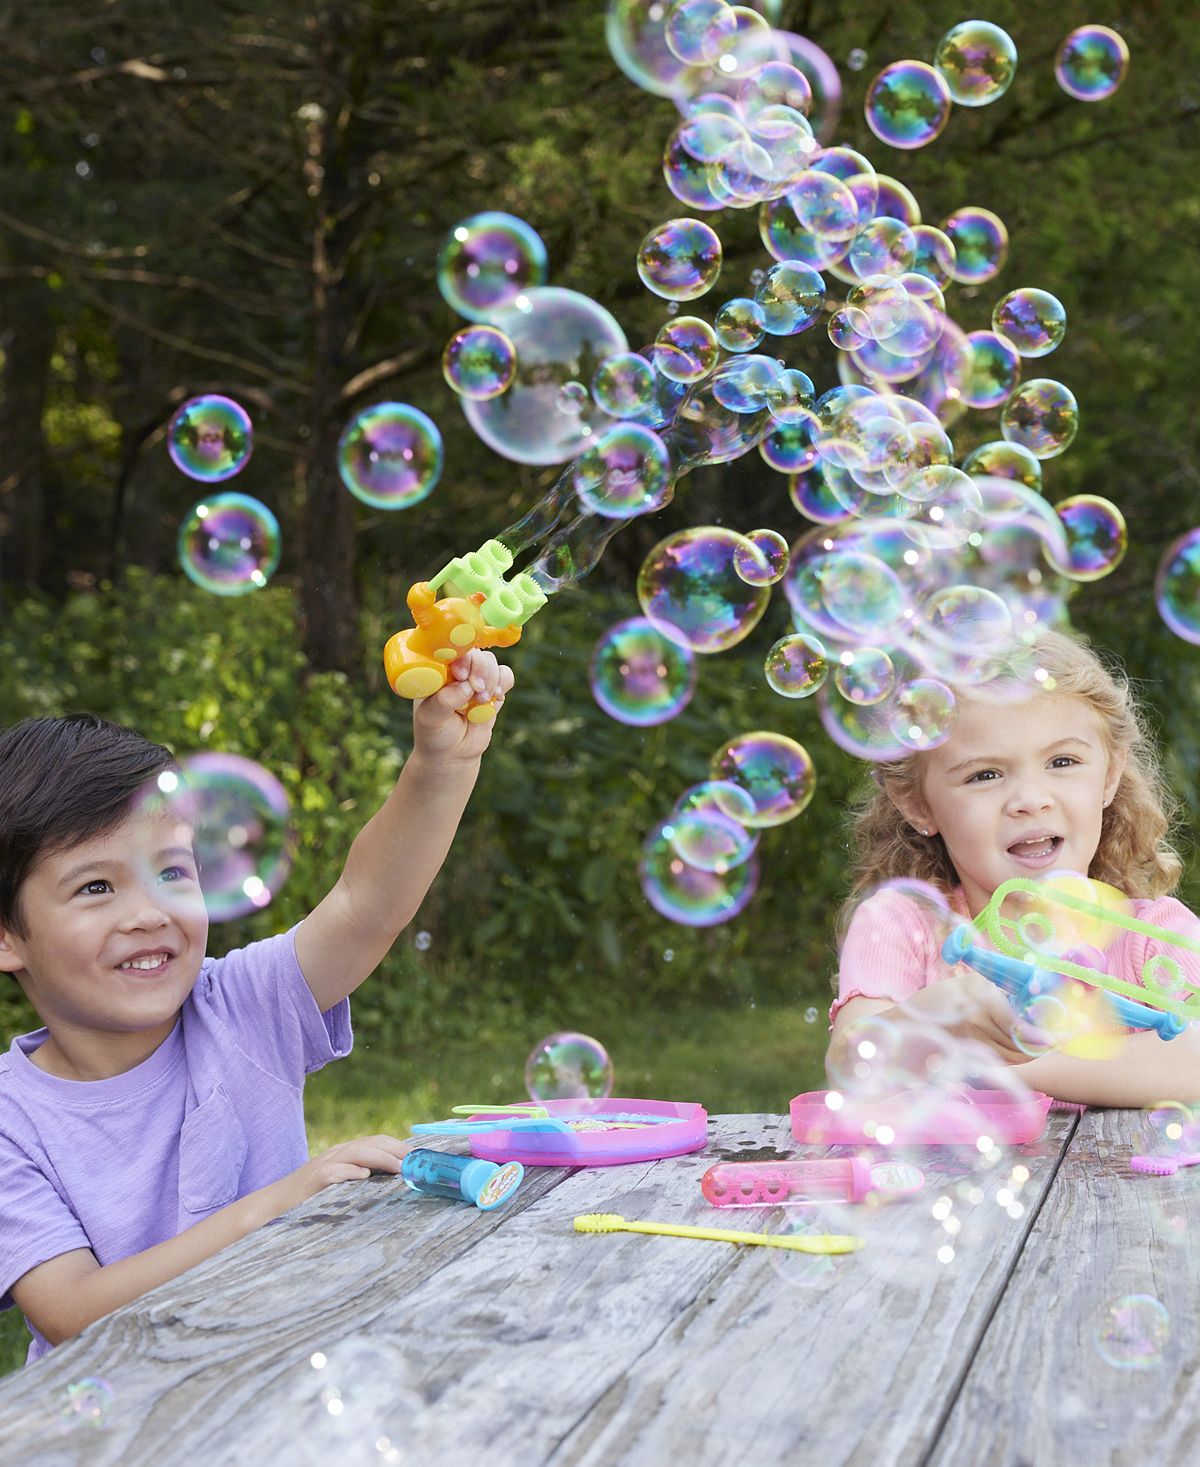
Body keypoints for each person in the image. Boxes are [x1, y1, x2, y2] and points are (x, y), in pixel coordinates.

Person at [0, 647, 513, 1364]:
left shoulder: (239, 1006)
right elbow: (70, 1310)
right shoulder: (10, 1120)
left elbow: (366, 906)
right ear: (7, 936)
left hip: (285, 1376)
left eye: (170, 871)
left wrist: (443, 764)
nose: (149, 912)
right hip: (114, 1427)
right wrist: (277, 1204)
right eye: (95, 887)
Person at [826, 627, 1200, 1108]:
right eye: (985, 774)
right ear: (916, 802)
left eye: (1062, 761)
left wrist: (994, 1063)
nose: (1029, 800)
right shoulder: (905, 924)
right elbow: (853, 1064)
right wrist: (939, 1019)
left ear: (1109, 775)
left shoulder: (1153, 936)